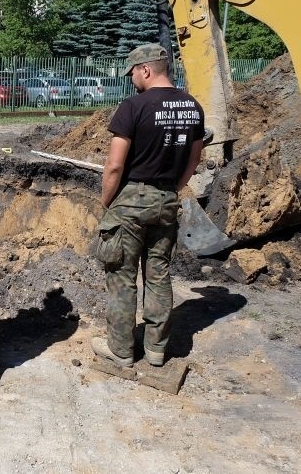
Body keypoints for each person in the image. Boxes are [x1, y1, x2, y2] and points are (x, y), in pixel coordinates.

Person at [91, 43, 204, 368]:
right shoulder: (192, 108)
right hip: (167, 200)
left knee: (122, 277)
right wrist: (171, 189)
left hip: (130, 202)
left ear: (146, 70)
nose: (132, 81)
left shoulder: (134, 106)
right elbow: (194, 160)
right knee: (158, 275)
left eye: (133, 74)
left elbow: (114, 166)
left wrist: (107, 201)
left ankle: (122, 351)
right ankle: (156, 351)